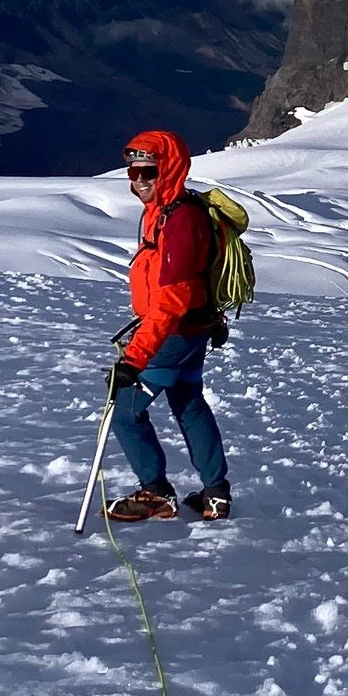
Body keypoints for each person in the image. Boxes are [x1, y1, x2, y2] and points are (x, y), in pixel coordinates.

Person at [105, 128, 233, 523]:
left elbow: (171, 299)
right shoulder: (169, 211)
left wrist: (135, 357)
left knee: (125, 410)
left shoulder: (179, 220)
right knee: (189, 404)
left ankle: (156, 494)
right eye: (134, 173)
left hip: (173, 333)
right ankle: (216, 495)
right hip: (192, 330)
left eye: (148, 171)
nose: (139, 180)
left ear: (169, 168)